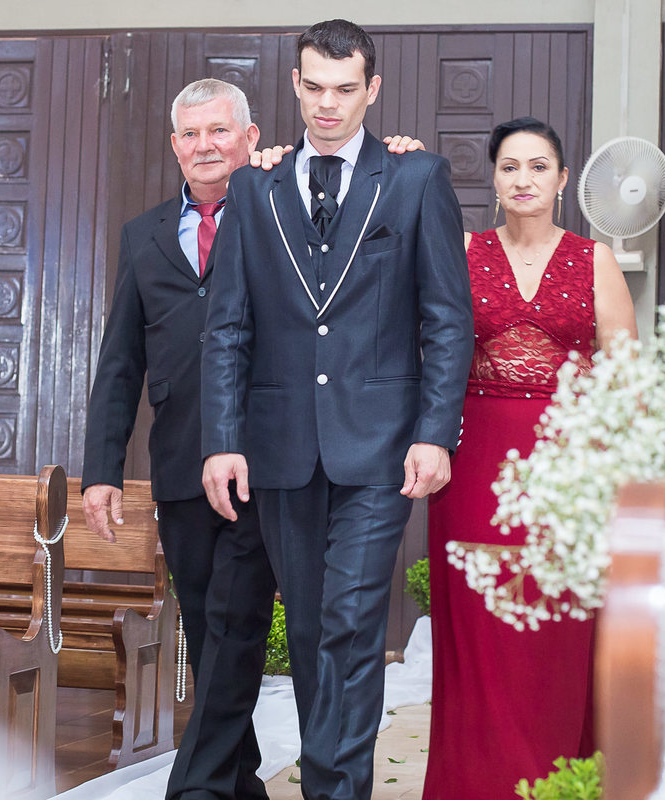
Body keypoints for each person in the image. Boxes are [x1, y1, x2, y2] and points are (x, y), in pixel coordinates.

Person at [80, 77, 425, 800]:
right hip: (183, 463)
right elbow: (120, 362)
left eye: (219, 131)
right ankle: (239, 782)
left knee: (241, 626)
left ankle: (199, 787)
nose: (205, 145)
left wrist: (393, 156)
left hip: (270, 458)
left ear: (250, 138)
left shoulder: (286, 202)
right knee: (212, 638)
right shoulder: (142, 235)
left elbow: (363, 228)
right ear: (175, 145)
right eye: (191, 134)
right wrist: (102, 469)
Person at [199, 19, 473, 800]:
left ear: (372, 89)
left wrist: (435, 433)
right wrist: (223, 439)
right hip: (280, 444)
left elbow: (446, 319)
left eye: (345, 89)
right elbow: (228, 325)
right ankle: (332, 783)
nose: (328, 104)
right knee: (315, 627)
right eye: (315, 87)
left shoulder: (416, 180)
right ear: (295, 84)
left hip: (382, 446)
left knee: (352, 621)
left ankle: (334, 790)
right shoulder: (256, 188)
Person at [422, 117, 638, 800]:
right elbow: (428, 348)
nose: (523, 179)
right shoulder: (460, 251)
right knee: (481, 624)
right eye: (509, 167)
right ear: (493, 179)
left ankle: (557, 778)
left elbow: (626, 381)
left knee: (556, 629)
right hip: (474, 466)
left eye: (538, 166)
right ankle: (475, 784)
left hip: (569, 472)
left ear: (563, 179)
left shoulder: (596, 260)